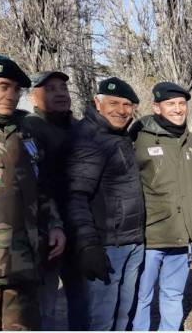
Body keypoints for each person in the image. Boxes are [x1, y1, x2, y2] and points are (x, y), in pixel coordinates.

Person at [66, 77, 145, 330]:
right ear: (97, 104)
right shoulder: (89, 139)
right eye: (113, 103)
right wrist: (88, 245)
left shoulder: (120, 136)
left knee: (123, 316)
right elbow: (76, 196)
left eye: (127, 104)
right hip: (107, 246)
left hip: (131, 241)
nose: (121, 110)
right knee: (101, 320)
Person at [0, 53, 63, 330]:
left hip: (24, 264)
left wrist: (55, 225)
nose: (11, 95)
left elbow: (42, 187)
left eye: (16, 89)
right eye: (3, 87)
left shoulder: (26, 133)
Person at [131, 82, 192, 330]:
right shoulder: (139, 138)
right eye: (171, 104)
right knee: (141, 296)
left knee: (173, 295)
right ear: (156, 107)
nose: (177, 109)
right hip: (151, 236)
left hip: (182, 236)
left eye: (182, 104)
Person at [22, 71, 79, 330]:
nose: (60, 93)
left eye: (63, 88)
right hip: (47, 233)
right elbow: (36, 183)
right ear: (34, 96)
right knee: (46, 307)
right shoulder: (30, 128)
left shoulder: (76, 127)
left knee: (81, 302)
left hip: (79, 230)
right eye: (51, 89)